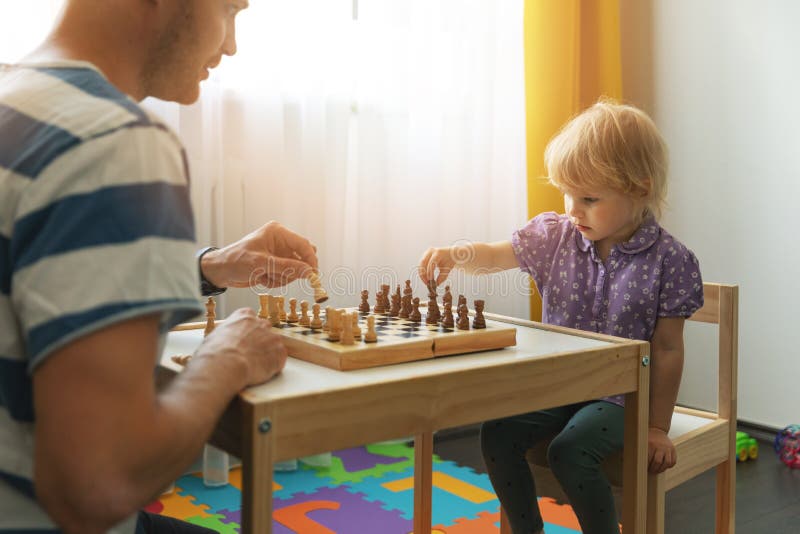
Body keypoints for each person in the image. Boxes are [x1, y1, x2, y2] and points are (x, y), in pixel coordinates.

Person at [0, 1, 320, 532]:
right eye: (229, 9)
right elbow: (100, 484)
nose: (231, 44)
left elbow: (41, 281)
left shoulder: (18, 101)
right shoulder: (111, 141)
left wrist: (210, 266)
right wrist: (225, 361)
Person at [418, 100, 704, 534]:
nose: (573, 208)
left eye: (589, 198)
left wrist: (657, 427)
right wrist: (458, 254)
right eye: (567, 193)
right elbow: (496, 255)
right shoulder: (555, 236)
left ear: (640, 188)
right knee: (496, 434)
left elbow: (667, 350)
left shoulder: (670, 260)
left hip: (621, 398)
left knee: (569, 450)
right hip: (560, 385)